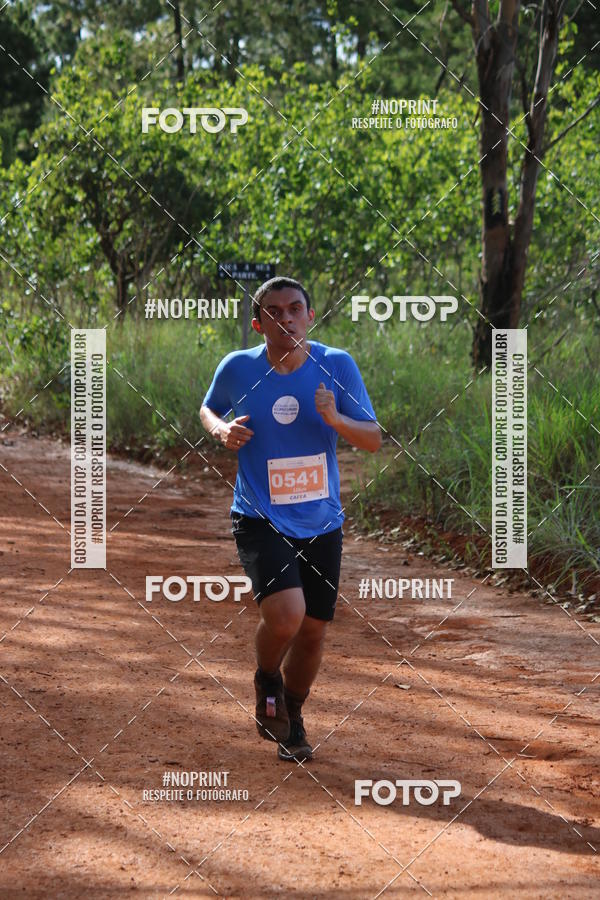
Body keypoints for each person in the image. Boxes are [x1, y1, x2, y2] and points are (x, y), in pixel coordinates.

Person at [200, 276, 381, 762]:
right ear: (259, 322)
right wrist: (221, 430)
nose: (286, 318)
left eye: (295, 309)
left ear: (310, 316)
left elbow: (373, 438)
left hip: (321, 521)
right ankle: (266, 678)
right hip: (260, 516)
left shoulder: (336, 365)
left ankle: (292, 713)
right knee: (287, 615)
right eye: (274, 312)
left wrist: (337, 421)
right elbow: (209, 408)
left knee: (314, 631)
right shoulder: (238, 368)